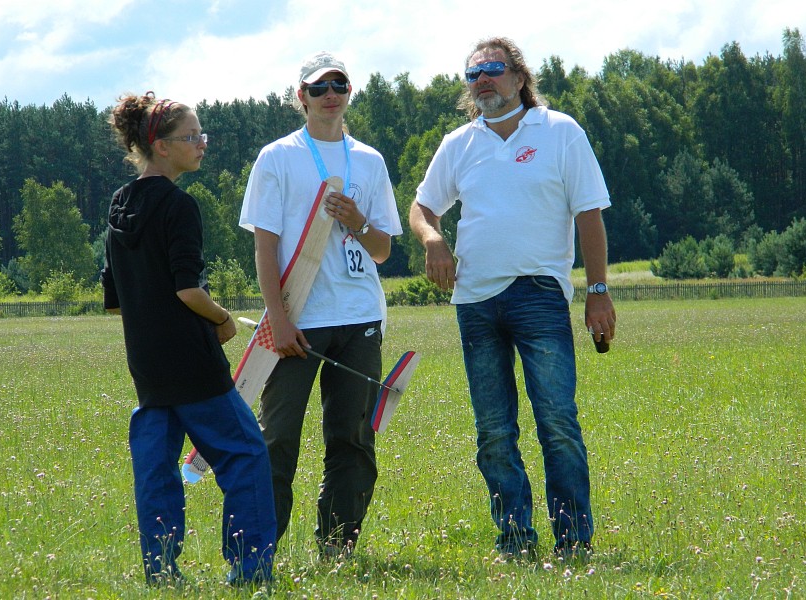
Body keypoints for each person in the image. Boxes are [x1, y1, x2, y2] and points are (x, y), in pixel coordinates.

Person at [409, 37, 616, 560]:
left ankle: (573, 541)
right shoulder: (458, 144)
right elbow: (422, 208)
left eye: (493, 69)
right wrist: (433, 239)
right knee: (493, 432)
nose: (482, 80)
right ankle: (515, 540)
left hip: (540, 295)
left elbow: (589, 214)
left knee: (557, 423)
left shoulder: (561, 131)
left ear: (519, 78)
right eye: (473, 74)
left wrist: (597, 291)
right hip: (475, 302)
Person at [101, 92, 276, 586]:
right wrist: (223, 319)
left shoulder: (119, 205)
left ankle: (160, 572)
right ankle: (250, 570)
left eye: (202, 135)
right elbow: (187, 290)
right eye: (191, 137)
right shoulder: (179, 205)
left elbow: (114, 300)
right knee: (246, 455)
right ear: (160, 146)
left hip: (147, 366)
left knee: (156, 471)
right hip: (193, 366)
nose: (202, 144)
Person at [239, 51, 402, 558]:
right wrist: (279, 320)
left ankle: (337, 548)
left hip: (360, 319)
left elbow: (382, 250)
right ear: (301, 97)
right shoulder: (277, 157)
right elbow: (265, 247)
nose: (330, 95)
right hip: (297, 321)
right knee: (276, 439)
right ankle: (257, 554)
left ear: (350, 93)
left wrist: (356, 219)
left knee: (353, 439)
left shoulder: (370, 161)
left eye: (339, 85)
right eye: (318, 88)